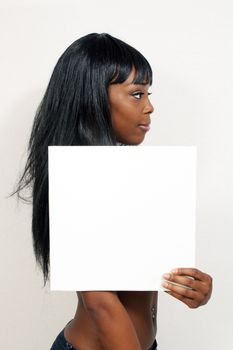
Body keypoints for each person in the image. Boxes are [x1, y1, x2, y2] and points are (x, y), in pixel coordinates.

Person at [13, 33, 213, 350]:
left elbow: (144, 276)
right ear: (92, 98)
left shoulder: (130, 178)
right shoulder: (77, 182)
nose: (149, 107)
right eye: (136, 94)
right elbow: (100, 305)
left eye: (148, 94)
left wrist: (192, 288)